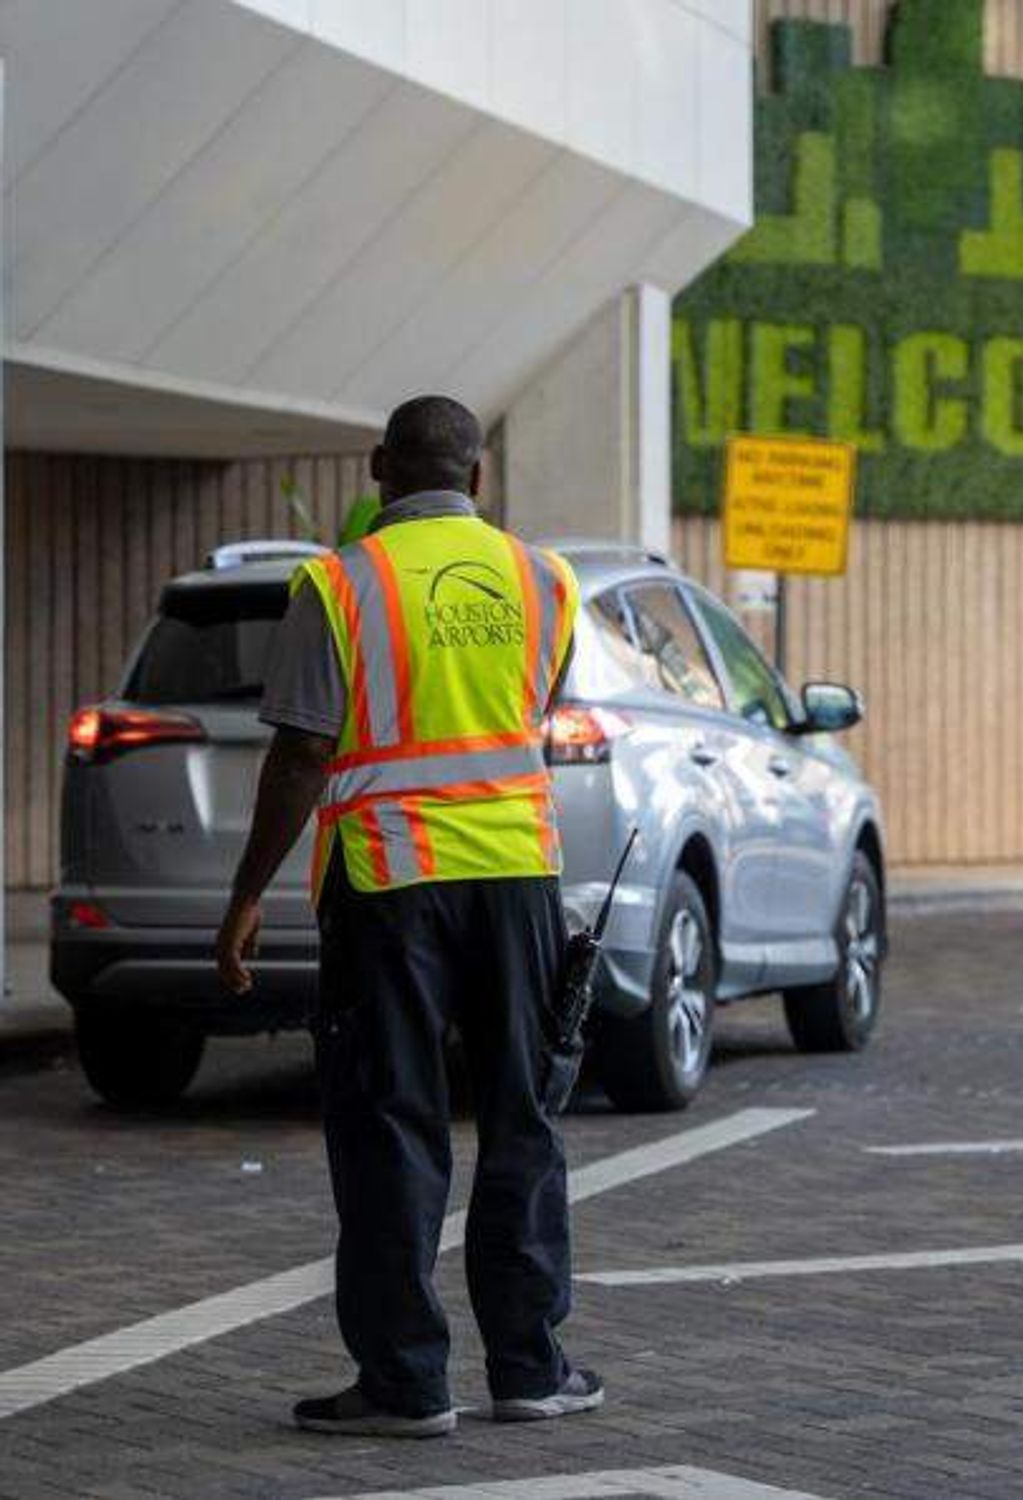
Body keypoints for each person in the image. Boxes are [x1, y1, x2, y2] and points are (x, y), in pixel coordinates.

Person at [215, 396, 600, 1437]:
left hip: (389, 887)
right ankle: (528, 1368)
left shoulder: (338, 583)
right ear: (476, 477)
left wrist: (248, 893)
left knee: (393, 1124)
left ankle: (405, 1382)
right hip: (519, 880)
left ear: (379, 467)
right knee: (522, 1116)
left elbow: (302, 752)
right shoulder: (545, 580)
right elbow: (531, 708)